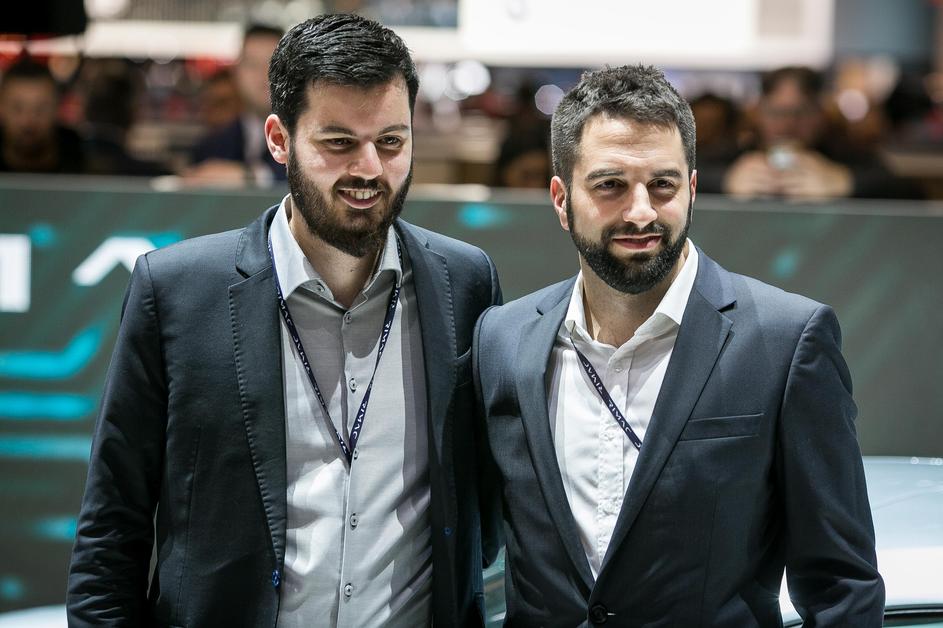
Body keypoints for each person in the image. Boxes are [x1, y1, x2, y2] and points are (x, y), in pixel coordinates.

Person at [68, 14, 501, 627]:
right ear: (279, 139)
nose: (369, 169)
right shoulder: (176, 291)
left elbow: (488, 508)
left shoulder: (465, 282)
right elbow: (113, 528)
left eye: (391, 142)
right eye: (339, 143)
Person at [473, 64, 884, 626]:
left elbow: (843, 586)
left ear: (691, 190)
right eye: (610, 185)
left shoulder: (785, 341)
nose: (641, 211)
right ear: (561, 199)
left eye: (662, 185)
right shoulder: (503, 339)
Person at [721, 65, 916, 200]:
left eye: (801, 113)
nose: (788, 124)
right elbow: (705, 168)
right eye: (776, 113)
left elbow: (906, 189)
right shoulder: (738, 154)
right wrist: (726, 180)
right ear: (758, 114)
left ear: (821, 114)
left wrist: (845, 182)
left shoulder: (842, 155)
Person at [185, 23, 285, 185]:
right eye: (252, 64)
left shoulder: (309, 141)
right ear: (236, 72)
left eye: (273, 64)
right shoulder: (210, 147)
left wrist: (249, 177)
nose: (263, 74)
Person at [0, 57, 85, 174]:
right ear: (2, 108)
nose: (28, 121)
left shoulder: (87, 155)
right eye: (17, 108)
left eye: (41, 108)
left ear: (57, 109)